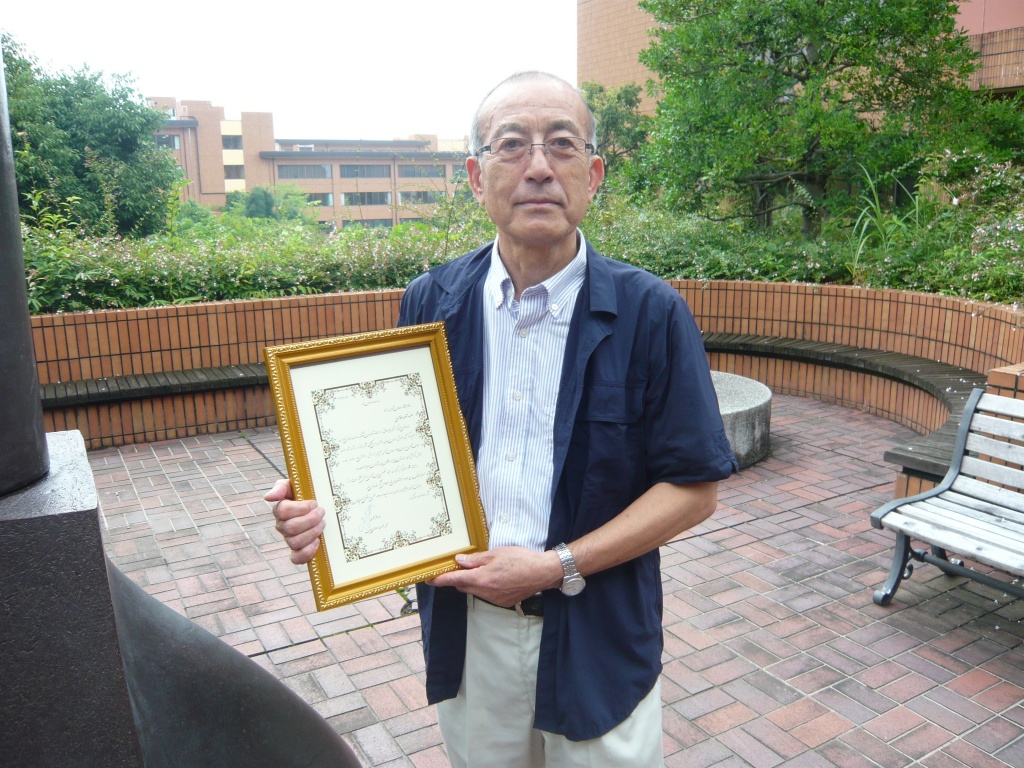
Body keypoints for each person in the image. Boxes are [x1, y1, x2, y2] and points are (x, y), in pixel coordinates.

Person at [265, 71, 737, 767]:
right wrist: (325, 509)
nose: (539, 167)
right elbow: (394, 457)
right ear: (475, 176)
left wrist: (554, 566)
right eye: (511, 145)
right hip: (470, 632)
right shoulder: (432, 301)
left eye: (563, 145)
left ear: (594, 172)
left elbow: (694, 488)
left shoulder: (649, 312)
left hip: (598, 631)